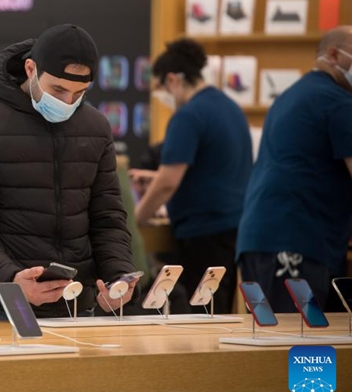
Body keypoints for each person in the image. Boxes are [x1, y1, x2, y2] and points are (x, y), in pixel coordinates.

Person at [0, 24, 137, 319]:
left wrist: (118, 276)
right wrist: (10, 278)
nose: (67, 102)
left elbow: (107, 218)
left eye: (79, 93)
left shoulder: (95, 127)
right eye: (58, 89)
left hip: (77, 306)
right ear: (31, 69)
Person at [236, 26, 352, 314]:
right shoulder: (337, 103)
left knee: (271, 345)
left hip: (263, 243)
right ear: (334, 54)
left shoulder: (292, 96)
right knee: (299, 344)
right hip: (294, 246)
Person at [133, 38, 252, 315]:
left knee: (200, 318)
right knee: (218, 312)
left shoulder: (188, 116)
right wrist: (155, 176)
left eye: (161, 88)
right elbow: (211, 168)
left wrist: (135, 219)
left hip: (203, 235)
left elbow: (168, 182)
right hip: (232, 230)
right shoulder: (229, 107)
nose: (163, 96)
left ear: (172, 79)